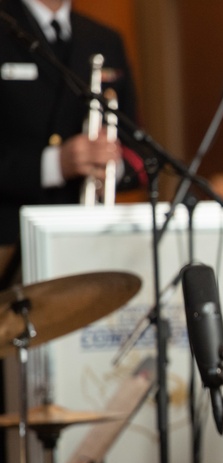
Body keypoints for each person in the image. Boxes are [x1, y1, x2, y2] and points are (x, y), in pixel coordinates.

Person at [0, 0, 141, 282]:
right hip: (10, 247)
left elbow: (136, 150)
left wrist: (111, 167)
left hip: (89, 243)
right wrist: (55, 164)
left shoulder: (104, 39)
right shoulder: (7, 24)